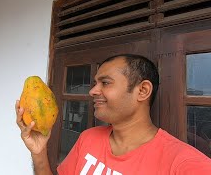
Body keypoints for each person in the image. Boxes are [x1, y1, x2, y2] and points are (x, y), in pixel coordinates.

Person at [15, 54, 211, 175]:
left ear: (142, 91)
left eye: (105, 83)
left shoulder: (185, 164)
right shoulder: (88, 139)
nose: (92, 91)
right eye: (94, 83)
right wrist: (39, 152)